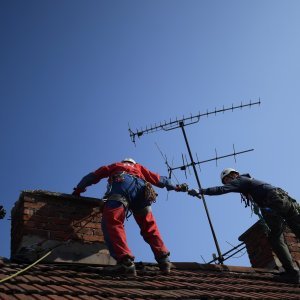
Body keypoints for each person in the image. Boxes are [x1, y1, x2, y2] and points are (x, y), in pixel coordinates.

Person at [72, 158, 187, 276]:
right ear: (133, 163)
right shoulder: (139, 167)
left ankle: (125, 262)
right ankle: (164, 260)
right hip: (142, 190)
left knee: (112, 222)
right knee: (149, 227)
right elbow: (159, 179)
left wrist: (78, 190)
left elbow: (92, 176)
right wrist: (176, 187)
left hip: (122, 184)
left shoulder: (115, 165)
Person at [188, 168, 300, 284]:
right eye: (225, 181)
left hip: (273, 202)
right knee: (297, 228)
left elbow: (221, 189)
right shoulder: (251, 182)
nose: (228, 183)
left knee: (275, 238)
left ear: (234, 174)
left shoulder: (241, 180)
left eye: (227, 179)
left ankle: (292, 273)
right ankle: (292, 272)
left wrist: (201, 191)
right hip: (284, 199)